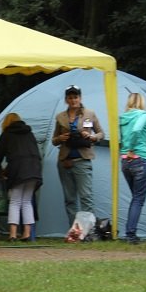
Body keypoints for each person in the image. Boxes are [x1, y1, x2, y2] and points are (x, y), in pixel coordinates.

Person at [51, 85, 104, 226]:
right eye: (70, 97)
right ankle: (74, 231)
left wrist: (92, 137)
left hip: (82, 160)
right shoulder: (60, 117)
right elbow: (54, 140)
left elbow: (101, 134)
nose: (73, 100)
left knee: (86, 197)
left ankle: (88, 230)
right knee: (70, 199)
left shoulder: (89, 114)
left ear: (80, 98)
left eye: (75, 97)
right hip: (65, 162)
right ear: (66, 100)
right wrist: (60, 138)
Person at [0, 113, 42, 241]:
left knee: (15, 201)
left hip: (18, 170)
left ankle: (12, 234)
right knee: (26, 201)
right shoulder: (29, 133)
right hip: (34, 169)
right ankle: (27, 233)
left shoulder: (7, 134)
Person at [118, 93, 146, 244]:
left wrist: (126, 151)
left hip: (125, 161)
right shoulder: (143, 115)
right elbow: (136, 130)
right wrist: (132, 148)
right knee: (138, 199)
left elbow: (121, 137)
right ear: (141, 102)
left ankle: (130, 232)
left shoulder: (122, 118)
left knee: (135, 199)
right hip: (140, 158)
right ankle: (130, 234)